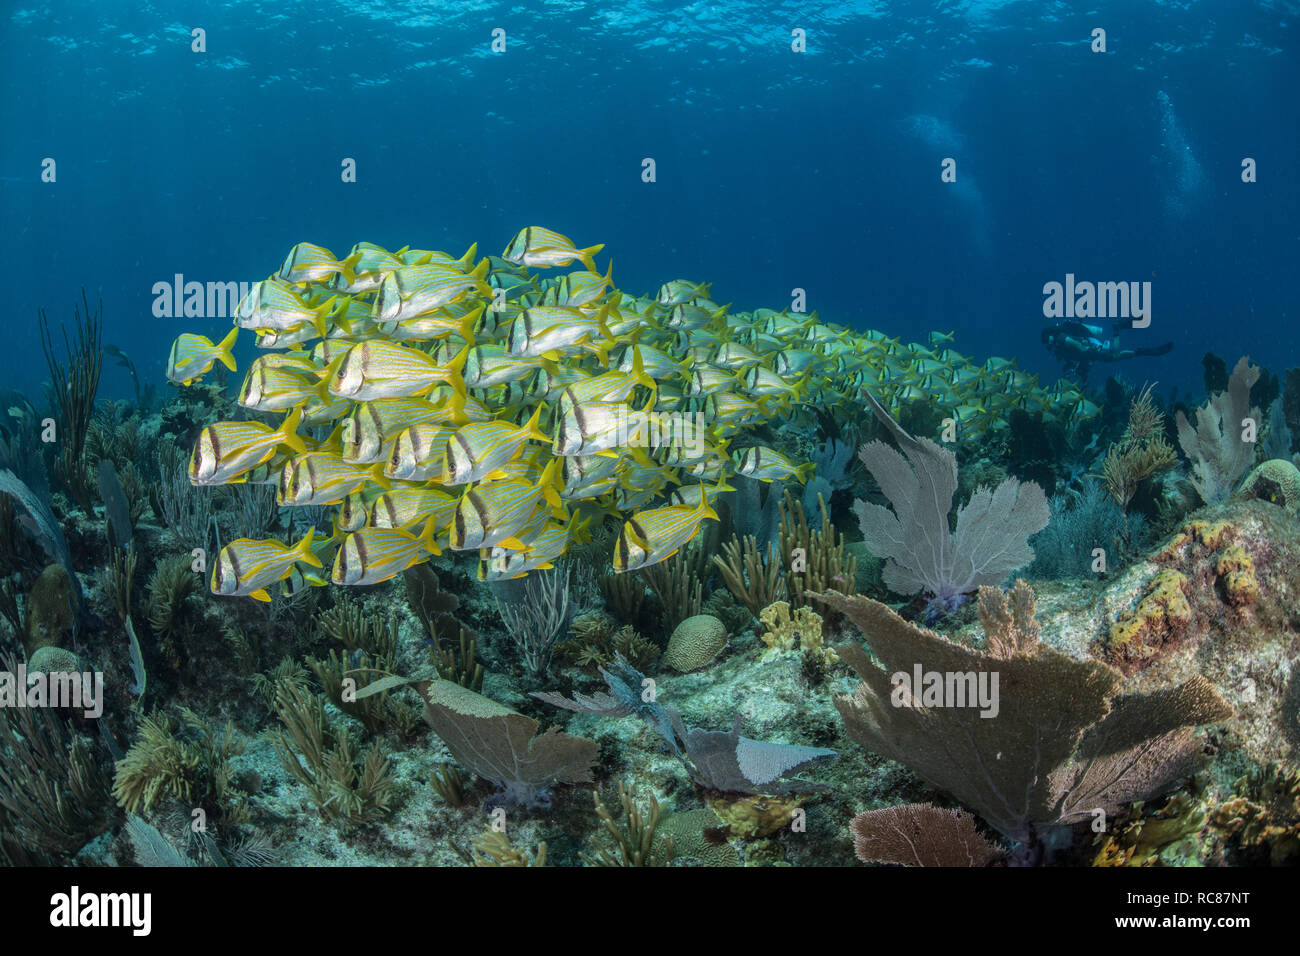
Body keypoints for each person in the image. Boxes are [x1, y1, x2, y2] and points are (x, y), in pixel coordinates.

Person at [1041, 319, 1172, 380]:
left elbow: (1076, 345)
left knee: (1114, 354)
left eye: (1047, 343)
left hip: (1091, 348)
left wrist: (1090, 352)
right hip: (1090, 353)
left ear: (1050, 337)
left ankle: (1118, 328)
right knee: (1115, 357)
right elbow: (1075, 356)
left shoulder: (1061, 339)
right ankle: (1141, 352)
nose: (1048, 347)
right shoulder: (1058, 346)